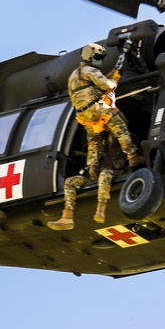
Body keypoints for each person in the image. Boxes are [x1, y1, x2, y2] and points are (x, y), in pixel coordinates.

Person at [67, 43, 144, 172]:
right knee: (121, 127)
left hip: (82, 114)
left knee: (94, 139)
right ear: (90, 57)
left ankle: (93, 166)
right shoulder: (91, 71)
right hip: (96, 109)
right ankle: (133, 157)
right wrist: (113, 82)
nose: (100, 60)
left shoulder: (73, 75)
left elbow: (93, 85)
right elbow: (107, 86)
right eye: (98, 57)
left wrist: (113, 73)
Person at [47, 133, 130, 230]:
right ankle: (67, 216)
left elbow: (122, 135)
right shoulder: (93, 140)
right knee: (70, 182)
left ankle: (100, 209)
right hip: (94, 176)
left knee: (104, 175)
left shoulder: (114, 137)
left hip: (116, 172)